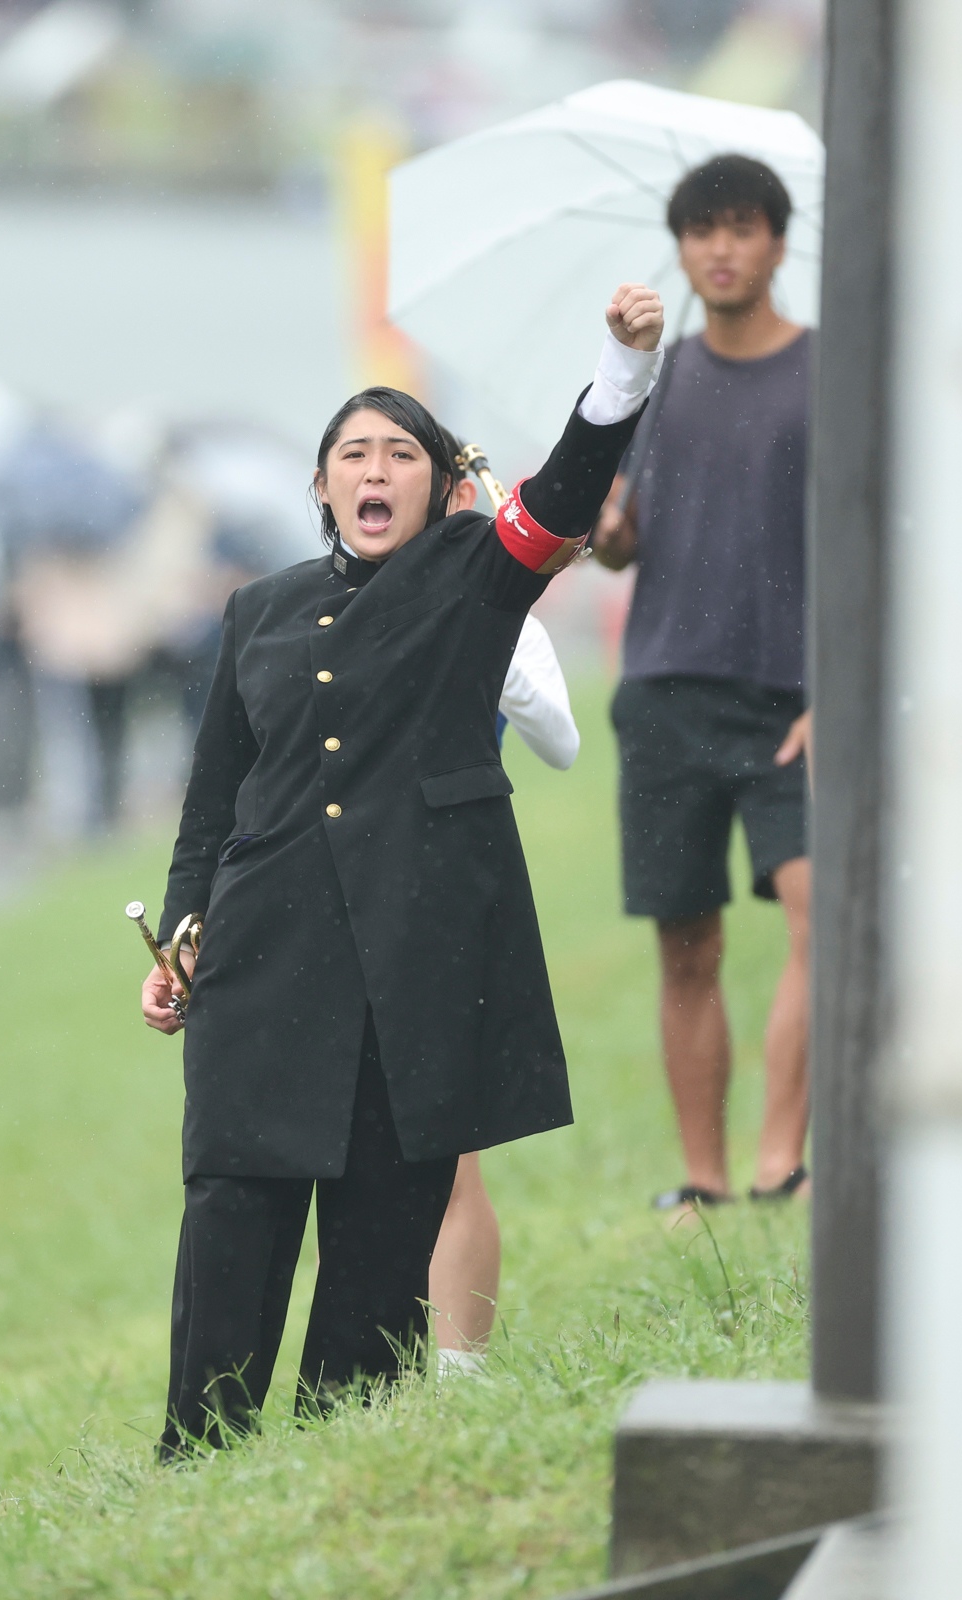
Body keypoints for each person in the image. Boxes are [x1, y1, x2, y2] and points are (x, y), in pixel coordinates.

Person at [142, 281, 665, 1457]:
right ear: (322, 485)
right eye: (353, 454)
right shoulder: (258, 610)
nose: (375, 471)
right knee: (231, 1209)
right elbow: (213, 797)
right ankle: (201, 1456)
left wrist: (621, 368)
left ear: (437, 485)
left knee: (381, 1238)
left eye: (400, 454)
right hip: (262, 958)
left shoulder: (477, 577)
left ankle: (341, 1453)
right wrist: (180, 934)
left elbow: (565, 493)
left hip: (418, 963)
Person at [591, 153, 813, 1211]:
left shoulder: (829, 372)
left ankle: (780, 1161)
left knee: (819, 920)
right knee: (687, 945)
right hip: (667, 688)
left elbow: (871, 538)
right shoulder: (656, 377)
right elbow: (616, 542)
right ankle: (703, 1180)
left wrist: (839, 691)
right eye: (701, 230)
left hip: (793, 697)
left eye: (742, 227)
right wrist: (609, 532)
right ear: (680, 248)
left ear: (778, 241)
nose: (721, 249)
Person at [426, 473, 582, 1373]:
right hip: (340, 886)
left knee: (453, 1150)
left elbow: (559, 744)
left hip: (446, 883)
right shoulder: (333, 609)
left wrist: (502, 647)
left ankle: (460, 1373)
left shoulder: (508, 621)